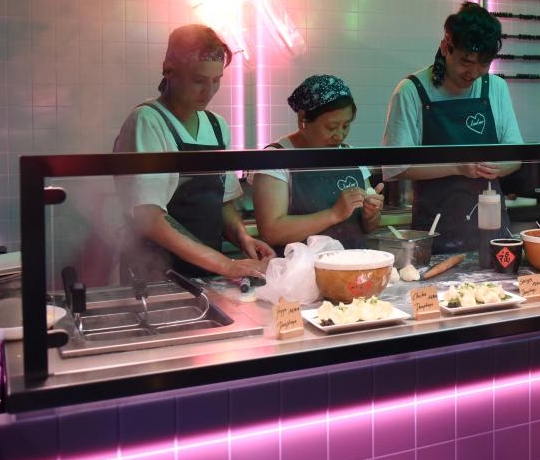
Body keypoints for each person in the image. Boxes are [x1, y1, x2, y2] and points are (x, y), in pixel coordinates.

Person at [114, 24, 275, 279]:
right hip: (156, 275)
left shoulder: (216, 126)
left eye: (216, 80)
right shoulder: (147, 121)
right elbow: (150, 217)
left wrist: (242, 237)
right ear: (168, 70)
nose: (208, 91)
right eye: (198, 80)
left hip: (206, 273)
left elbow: (222, 200)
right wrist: (226, 265)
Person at [383, 2, 522, 253]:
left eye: (484, 64)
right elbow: (396, 166)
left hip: (493, 231)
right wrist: (457, 167)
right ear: (446, 46)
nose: (474, 72)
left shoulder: (496, 88)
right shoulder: (412, 91)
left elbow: (516, 154)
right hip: (435, 230)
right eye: (466, 61)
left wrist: (499, 167)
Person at [250, 74, 385, 249]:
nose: (339, 135)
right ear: (302, 120)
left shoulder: (350, 154)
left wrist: (371, 214)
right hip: (301, 272)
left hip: (352, 267)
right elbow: (271, 231)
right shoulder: (275, 159)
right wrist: (333, 214)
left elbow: (368, 227)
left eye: (346, 126)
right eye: (330, 127)